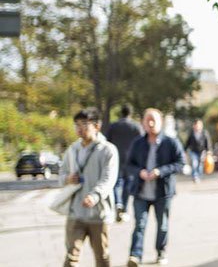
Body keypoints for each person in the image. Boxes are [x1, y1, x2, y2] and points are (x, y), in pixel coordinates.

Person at [124, 108, 184, 266]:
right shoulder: (137, 143)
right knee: (139, 225)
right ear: (143, 122)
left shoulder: (171, 142)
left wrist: (161, 171)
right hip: (141, 192)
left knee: (162, 225)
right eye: (147, 120)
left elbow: (180, 163)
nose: (150, 123)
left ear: (160, 122)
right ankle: (135, 255)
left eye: (154, 120)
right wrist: (140, 172)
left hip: (162, 192)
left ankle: (160, 252)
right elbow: (129, 165)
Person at [62, 107, 120, 267]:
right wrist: (67, 178)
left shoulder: (108, 150)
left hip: (98, 214)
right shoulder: (72, 150)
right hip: (76, 213)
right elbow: (61, 176)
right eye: (77, 125)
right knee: (71, 256)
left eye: (84, 124)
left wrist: (95, 195)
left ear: (97, 126)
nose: (80, 129)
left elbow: (109, 179)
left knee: (102, 257)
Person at [104, 104, 144, 222]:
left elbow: (107, 142)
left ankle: (118, 203)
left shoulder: (114, 126)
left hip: (115, 158)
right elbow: (142, 143)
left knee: (116, 183)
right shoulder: (136, 127)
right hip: (130, 159)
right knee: (128, 184)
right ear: (130, 113)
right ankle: (124, 208)